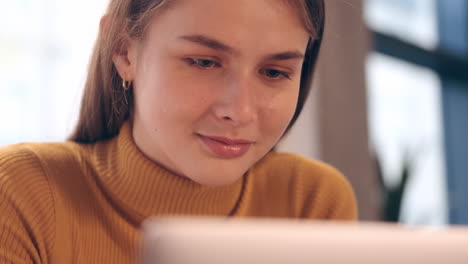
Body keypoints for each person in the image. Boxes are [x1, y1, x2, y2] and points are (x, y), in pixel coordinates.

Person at [0, 0, 357, 262]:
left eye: (275, 72)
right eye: (203, 62)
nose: (240, 111)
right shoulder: (21, 194)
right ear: (125, 51)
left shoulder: (312, 201)